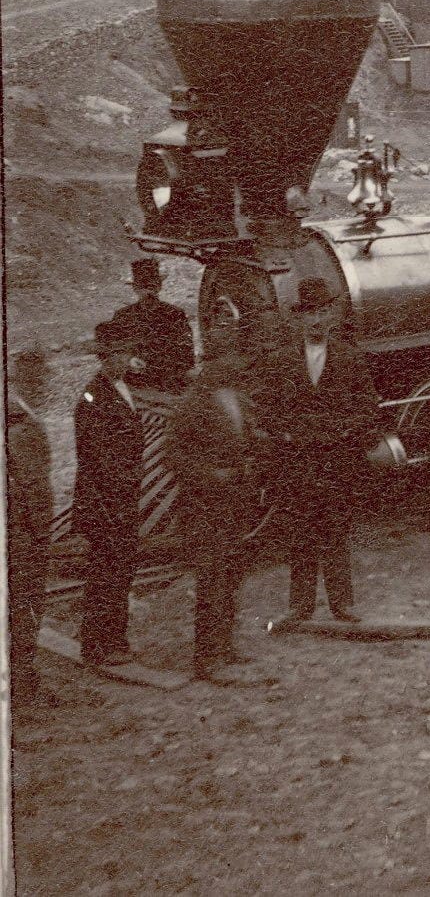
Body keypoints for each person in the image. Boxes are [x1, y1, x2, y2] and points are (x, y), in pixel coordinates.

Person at [256, 279, 380, 630]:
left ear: (331, 315)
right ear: (298, 318)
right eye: (308, 313)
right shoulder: (281, 360)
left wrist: (342, 431)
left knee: (336, 532)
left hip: (336, 461)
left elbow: (369, 408)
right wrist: (287, 432)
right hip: (297, 462)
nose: (315, 320)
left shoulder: (350, 358)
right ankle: (300, 607)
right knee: (300, 534)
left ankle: (342, 605)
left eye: (321, 312)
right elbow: (265, 408)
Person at [166, 335, 265, 682]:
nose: (235, 365)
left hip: (235, 505)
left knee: (232, 576)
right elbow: (175, 456)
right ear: (210, 364)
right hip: (205, 509)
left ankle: (225, 647)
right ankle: (207, 658)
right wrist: (213, 475)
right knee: (211, 581)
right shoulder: (191, 405)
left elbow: (247, 438)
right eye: (227, 359)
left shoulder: (235, 397)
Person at [73, 320, 145, 668]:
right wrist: (124, 485)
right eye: (119, 353)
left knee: (120, 571)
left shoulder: (121, 388)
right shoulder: (94, 396)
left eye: (127, 351)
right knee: (105, 574)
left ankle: (114, 640)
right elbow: (98, 457)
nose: (126, 358)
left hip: (121, 499)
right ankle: (97, 646)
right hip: (104, 502)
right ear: (105, 357)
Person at [7, 349, 55, 707]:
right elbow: (24, 487)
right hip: (24, 536)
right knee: (24, 610)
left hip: (31, 532)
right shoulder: (17, 422)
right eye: (35, 379)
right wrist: (34, 534)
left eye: (43, 378)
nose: (41, 385)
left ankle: (26, 680)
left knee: (28, 609)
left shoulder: (26, 416)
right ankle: (23, 686)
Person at [110, 258, 196, 394]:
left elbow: (187, 353)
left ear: (159, 287)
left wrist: (171, 369)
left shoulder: (175, 314)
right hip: (134, 385)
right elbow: (111, 351)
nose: (148, 292)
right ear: (136, 289)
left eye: (151, 286)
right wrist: (129, 360)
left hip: (170, 386)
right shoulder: (122, 317)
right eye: (143, 287)